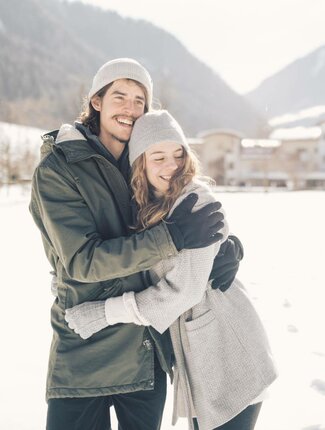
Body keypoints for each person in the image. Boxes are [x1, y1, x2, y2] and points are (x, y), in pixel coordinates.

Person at [29, 58, 243, 430]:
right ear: (97, 100)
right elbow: (83, 261)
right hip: (85, 343)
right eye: (120, 97)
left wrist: (224, 247)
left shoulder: (144, 158)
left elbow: (182, 203)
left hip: (145, 346)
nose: (130, 109)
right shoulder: (60, 168)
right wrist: (173, 237)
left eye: (139, 101)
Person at [65, 110, 278, 430]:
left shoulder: (195, 200)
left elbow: (184, 291)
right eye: (158, 156)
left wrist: (104, 312)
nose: (171, 166)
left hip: (230, 353)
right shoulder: (145, 208)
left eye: (178, 155)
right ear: (140, 163)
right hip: (199, 358)